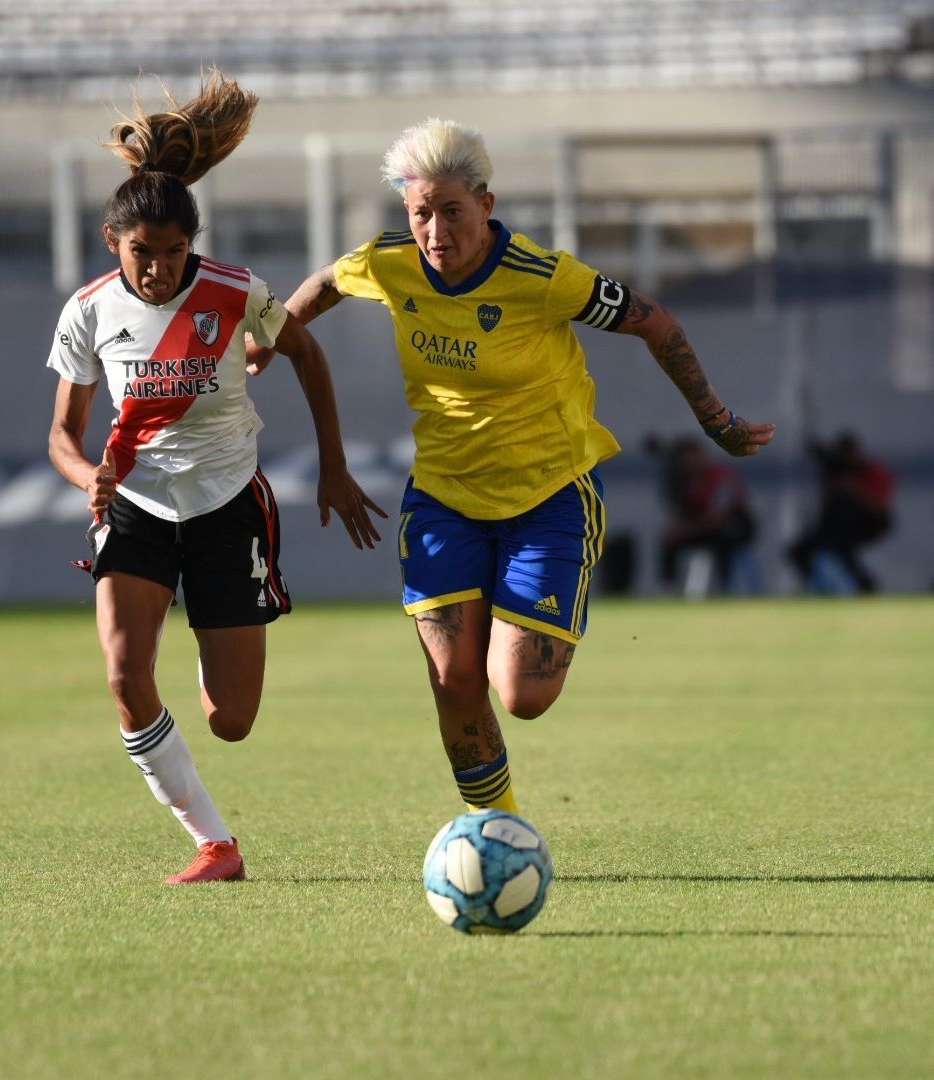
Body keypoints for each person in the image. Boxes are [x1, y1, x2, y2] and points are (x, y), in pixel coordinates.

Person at [248, 118, 774, 816]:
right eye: (421, 214)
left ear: (486, 205)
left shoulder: (544, 277)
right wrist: (268, 338)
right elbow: (326, 283)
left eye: (452, 211)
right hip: (443, 497)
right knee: (452, 677)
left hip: (549, 495)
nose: (436, 231)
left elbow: (655, 321)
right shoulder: (390, 260)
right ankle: (496, 831)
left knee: (521, 694)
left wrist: (718, 421)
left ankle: (533, 621)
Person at [46, 71, 384, 884]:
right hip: (134, 508)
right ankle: (214, 843)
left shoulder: (235, 294)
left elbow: (304, 352)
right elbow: (61, 434)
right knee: (127, 679)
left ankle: (209, 619)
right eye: (142, 253)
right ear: (111, 243)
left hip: (229, 506)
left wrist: (333, 468)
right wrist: (88, 474)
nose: (159, 269)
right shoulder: (88, 311)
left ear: (191, 245)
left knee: (231, 721)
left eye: (172, 252)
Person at [650, 435, 759, 595]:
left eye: (691, 458)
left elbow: (718, 518)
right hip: (703, 529)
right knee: (668, 541)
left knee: (723, 539)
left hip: (734, 526)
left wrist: (687, 529)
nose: (688, 464)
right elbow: (681, 514)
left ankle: (726, 587)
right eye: (684, 460)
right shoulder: (685, 482)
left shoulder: (719, 477)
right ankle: (668, 587)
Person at [788, 432, 894, 593]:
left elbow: (880, 509)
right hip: (836, 526)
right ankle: (826, 588)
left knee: (841, 549)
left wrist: (852, 489)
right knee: (803, 552)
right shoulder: (835, 469)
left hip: (867, 524)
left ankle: (865, 587)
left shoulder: (870, 471)